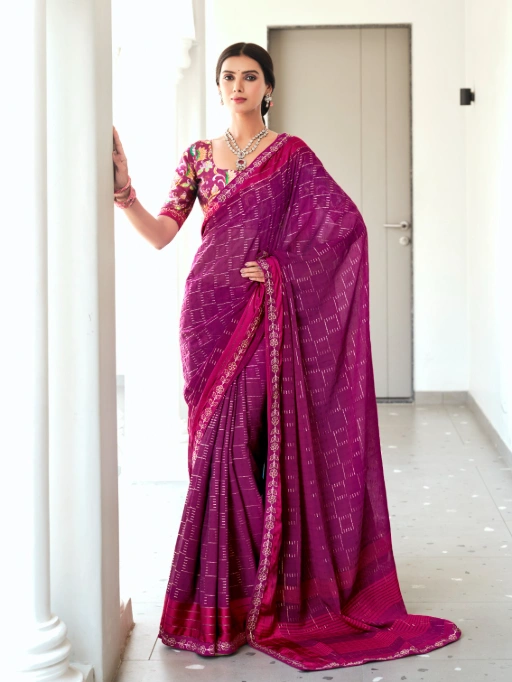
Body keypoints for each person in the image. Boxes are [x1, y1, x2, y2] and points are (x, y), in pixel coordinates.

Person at [112, 42, 461, 672]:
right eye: (228, 77)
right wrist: (123, 192)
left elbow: (345, 227)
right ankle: (224, 598)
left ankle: (265, 590)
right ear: (218, 86)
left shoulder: (291, 156)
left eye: (250, 77)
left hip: (262, 313)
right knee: (211, 453)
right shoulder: (198, 157)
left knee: (248, 443)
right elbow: (163, 234)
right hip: (206, 314)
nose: (238, 85)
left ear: (268, 87)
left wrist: (279, 269)